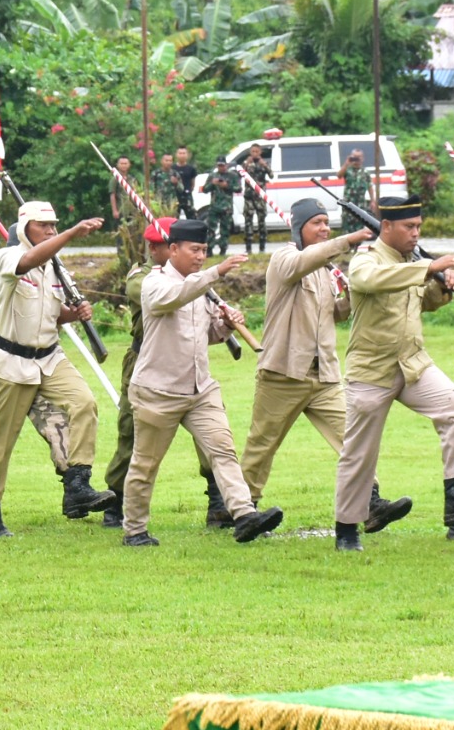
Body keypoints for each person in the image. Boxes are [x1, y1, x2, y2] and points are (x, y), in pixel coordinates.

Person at [332, 197, 454, 552]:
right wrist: (428, 267)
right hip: (372, 370)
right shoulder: (367, 258)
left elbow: (425, 301)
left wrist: (443, 284)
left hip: (414, 365)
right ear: (386, 227)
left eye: (419, 227)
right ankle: (346, 529)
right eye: (409, 227)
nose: (415, 233)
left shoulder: (414, 262)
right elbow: (369, 281)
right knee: (359, 452)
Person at [117, 219, 279, 546]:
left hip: (200, 390)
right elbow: (173, 298)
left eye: (205, 251)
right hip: (157, 391)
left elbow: (204, 336)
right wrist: (215, 274)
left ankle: (244, 515)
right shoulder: (155, 283)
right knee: (146, 465)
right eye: (195, 250)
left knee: (223, 450)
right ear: (173, 249)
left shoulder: (199, 287)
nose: (201, 256)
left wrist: (226, 325)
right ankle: (134, 530)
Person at [0, 202, 112, 535]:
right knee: (0, 443)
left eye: (54, 225)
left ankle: (78, 482)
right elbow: (27, 262)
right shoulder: (8, 257)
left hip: (49, 356)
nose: (50, 230)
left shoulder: (53, 266)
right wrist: (71, 234)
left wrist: (74, 313)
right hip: (10, 361)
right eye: (43, 226)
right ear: (25, 227)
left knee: (84, 403)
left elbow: (51, 313)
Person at [241, 199, 379, 514]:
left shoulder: (326, 272)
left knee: (353, 438)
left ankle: (370, 499)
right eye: (316, 223)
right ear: (299, 227)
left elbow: (336, 314)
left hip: (325, 376)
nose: (324, 228)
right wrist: (348, 240)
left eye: (326, 223)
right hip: (283, 373)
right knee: (262, 446)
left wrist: (358, 290)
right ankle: (241, 507)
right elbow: (301, 263)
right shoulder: (284, 258)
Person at [101, 219, 222, 530]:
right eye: (158, 248)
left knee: (211, 436)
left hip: (186, 363)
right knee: (132, 433)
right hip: (145, 360)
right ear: (157, 249)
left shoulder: (193, 276)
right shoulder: (144, 277)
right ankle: (117, 499)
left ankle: (218, 499)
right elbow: (151, 295)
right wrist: (193, 284)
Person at [234, 144, 271, 256]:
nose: (255, 153)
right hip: (249, 197)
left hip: (260, 197)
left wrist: (264, 165)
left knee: (261, 222)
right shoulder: (246, 164)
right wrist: (246, 164)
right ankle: (248, 248)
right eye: (253, 151)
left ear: (260, 152)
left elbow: (271, 175)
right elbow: (238, 175)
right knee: (248, 222)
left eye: (257, 151)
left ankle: (262, 247)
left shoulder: (264, 163)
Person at [204, 157, 238, 256]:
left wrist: (226, 186)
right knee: (211, 229)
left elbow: (238, 188)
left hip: (226, 207)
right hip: (214, 206)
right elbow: (205, 189)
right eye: (219, 165)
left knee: (225, 229)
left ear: (226, 165)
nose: (221, 167)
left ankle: (223, 249)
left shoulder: (232, 175)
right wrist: (212, 184)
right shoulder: (212, 176)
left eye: (222, 165)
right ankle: (209, 249)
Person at [340, 149, 375, 231]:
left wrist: (372, 201)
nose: (356, 160)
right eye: (354, 157)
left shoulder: (365, 172)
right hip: (348, 204)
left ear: (363, 158)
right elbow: (339, 175)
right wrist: (346, 163)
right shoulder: (347, 170)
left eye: (358, 157)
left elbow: (370, 186)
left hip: (360, 204)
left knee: (360, 226)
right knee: (347, 228)